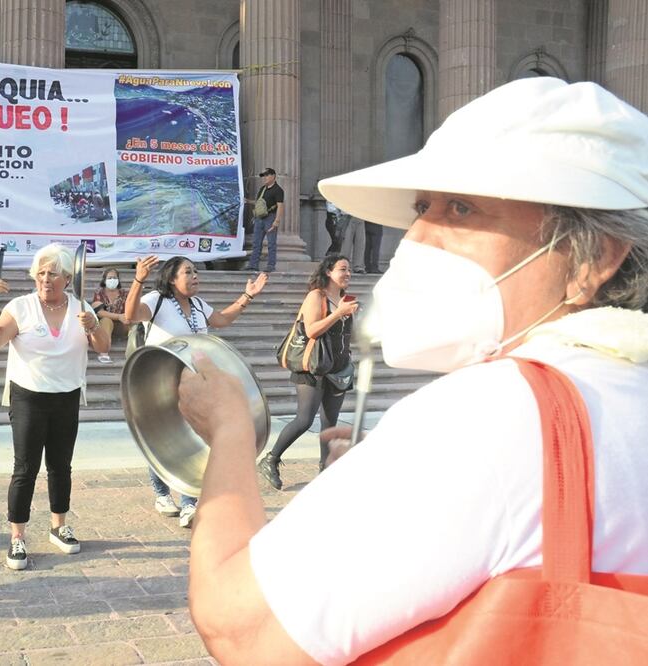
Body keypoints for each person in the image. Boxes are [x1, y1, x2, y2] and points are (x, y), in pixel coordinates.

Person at [177, 77, 648, 663]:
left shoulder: (493, 412)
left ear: (593, 259)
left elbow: (239, 627)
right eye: (423, 207)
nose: (416, 237)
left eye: (462, 207)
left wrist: (229, 431)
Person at [0, 243, 111, 570]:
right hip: (28, 396)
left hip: (66, 396)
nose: (45, 279)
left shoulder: (81, 308)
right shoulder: (21, 307)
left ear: (67, 277)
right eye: (40, 273)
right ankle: (17, 537)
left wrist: (92, 325)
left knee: (61, 465)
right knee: (25, 468)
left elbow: (103, 347)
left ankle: (58, 526)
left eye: (52, 273)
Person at [124, 255, 268, 527]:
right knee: (163, 439)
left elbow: (223, 320)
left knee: (195, 437)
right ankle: (161, 492)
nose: (195, 276)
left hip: (197, 380)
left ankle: (189, 503)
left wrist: (246, 296)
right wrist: (138, 279)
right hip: (162, 381)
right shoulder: (157, 300)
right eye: (188, 272)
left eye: (196, 271)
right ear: (171, 278)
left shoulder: (199, 305)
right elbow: (130, 316)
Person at [258, 255, 358, 488]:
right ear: (328, 272)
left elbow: (348, 335)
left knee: (330, 423)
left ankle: (326, 471)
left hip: (338, 368)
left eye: (350, 270)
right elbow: (312, 330)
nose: (348, 274)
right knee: (304, 419)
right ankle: (271, 459)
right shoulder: (316, 296)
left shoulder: (344, 299)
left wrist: (352, 317)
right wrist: (337, 314)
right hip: (313, 367)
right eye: (342, 269)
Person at [246, 167, 285, 272]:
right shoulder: (262, 189)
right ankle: (253, 265)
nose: (265, 178)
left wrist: (276, 221)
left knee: (271, 243)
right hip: (259, 218)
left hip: (270, 217)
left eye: (267, 175)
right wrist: (248, 201)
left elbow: (280, 206)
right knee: (256, 242)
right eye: (263, 176)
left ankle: (271, 265)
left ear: (273, 176)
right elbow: (259, 203)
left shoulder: (278, 190)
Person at [90, 267, 129, 363]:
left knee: (135, 323)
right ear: (104, 280)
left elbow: (131, 308)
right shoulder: (99, 293)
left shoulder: (124, 294)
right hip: (105, 327)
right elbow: (99, 311)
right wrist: (118, 316)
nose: (112, 280)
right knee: (107, 320)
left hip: (121, 325)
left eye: (115, 278)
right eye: (110, 278)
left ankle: (134, 353)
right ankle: (104, 353)